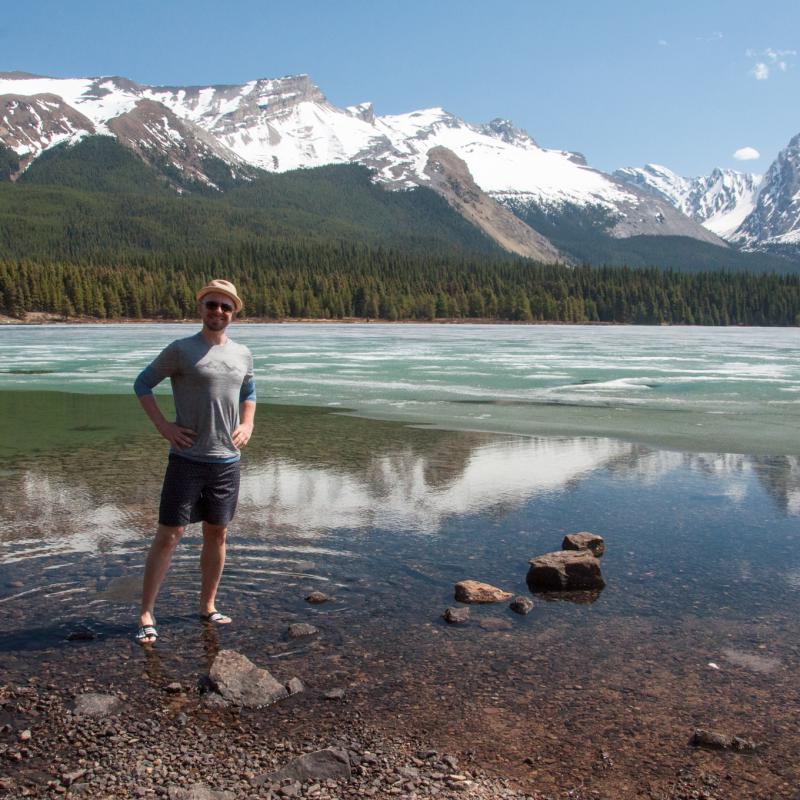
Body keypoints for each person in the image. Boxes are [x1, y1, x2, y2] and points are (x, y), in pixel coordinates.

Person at [133, 279, 256, 644]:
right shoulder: (181, 350)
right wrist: (164, 426)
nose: (218, 311)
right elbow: (143, 384)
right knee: (170, 534)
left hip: (226, 461)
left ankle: (208, 605)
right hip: (186, 458)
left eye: (225, 307)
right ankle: (145, 612)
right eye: (211, 305)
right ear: (200, 308)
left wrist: (248, 424)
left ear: (233, 312)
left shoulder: (242, 354)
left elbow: (249, 390)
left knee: (217, 533)